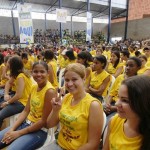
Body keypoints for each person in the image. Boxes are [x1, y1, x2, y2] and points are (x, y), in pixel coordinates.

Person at [45, 63, 104, 150]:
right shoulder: (66, 98)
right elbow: (49, 124)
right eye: (67, 80)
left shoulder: (93, 105)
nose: (70, 84)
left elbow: (93, 143)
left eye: (74, 79)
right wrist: (55, 110)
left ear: (84, 79)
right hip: (58, 144)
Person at [0, 61, 56, 149]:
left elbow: (43, 121)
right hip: (25, 124)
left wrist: (18, 133)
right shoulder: (34, 87)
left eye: (42, 71)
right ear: (31, 72)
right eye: (35, 71)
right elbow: (26, 111)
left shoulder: (50, 91)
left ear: (48, 73)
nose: (38, 74)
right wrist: (12, 129)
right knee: (4, 136)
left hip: (39, 131)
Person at [103, 75, 150, 150]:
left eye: (125, 100)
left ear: (143, 103)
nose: (116, 104)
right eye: (118, 97)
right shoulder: (114, 121)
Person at [104, 57, 141, 121]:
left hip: (124, 108)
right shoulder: (120, 77)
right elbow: (111, 93)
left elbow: (132, 104)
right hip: (112, 103)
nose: (128, 68)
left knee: (109, 121)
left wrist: (114, 108)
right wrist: (108, 105)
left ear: (138, 68)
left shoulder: (138, 82)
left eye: (131, 66)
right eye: (127, 65)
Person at [0, 56, 32, 128]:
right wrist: (6, 94)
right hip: (18, 99)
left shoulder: (21, 76)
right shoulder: (17, 74)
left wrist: (7, 102)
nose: (7, 66)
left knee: (1, 115)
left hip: (23, 102)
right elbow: (8, 83)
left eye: (9, 65)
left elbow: (18, 95)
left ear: (13, 66)